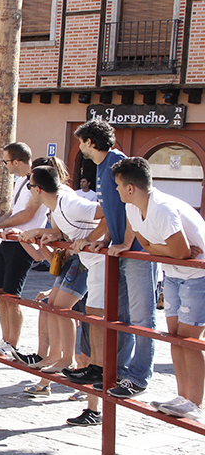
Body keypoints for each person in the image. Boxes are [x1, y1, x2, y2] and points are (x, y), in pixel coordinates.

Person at [111, 157, 205, 420]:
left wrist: (167, 251)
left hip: (198, 276)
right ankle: (183, 395)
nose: (116, 190)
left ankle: (195, 403)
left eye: (118, 185)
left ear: (131, 187)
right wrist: (167, 251)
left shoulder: (162, 208)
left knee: (189, 340)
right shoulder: (132, 209)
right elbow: (151, 246)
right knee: (175, 335)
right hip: (174, 273)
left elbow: (182, 251)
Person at [72, 119, 158, 399]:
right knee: (118, 316)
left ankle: (139, 375)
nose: (79, 146)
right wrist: (102, 239)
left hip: (136, 252)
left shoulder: (117, 162)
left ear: (89, 142)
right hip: (119, 250)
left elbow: (132, 203)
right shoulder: (101, 166)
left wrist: (125, 241)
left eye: (81, 141)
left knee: (142, 317)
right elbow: (111, 211)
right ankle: (116, 371)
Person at [18, 166, 102, 396]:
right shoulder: (55, 208)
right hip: (81, 259)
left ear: (38, 189)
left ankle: (66, 358)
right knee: (52, 305)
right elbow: (66, 232)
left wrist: (90, 239)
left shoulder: (69, 203)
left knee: (64, 308)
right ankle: (56, 355)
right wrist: (55, 235)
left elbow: (107, 212)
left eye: (29, 187)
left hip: (93, 261)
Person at [0, 143, 48, 366]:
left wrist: (1, 224)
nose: (5, 165)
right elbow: (14, 210)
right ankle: (5, 340)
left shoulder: (36, 180)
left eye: (6, 161)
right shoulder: (20, 181)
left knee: (12, 294)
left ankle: (12, 343)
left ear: (16, 162)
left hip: (23, 240)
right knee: (1, 293)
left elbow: (29, 213)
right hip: (9, 239)